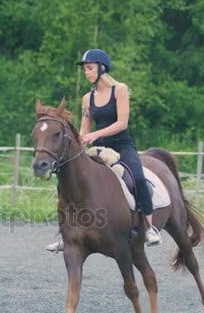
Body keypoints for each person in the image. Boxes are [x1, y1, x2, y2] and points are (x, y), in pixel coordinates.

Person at [46, 49, 162, 252]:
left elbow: (122, 123)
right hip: (99, 148)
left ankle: (150, 227)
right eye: (85, 70)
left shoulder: (120, 90)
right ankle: (65, 234)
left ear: (101, 68)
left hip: (122, 146)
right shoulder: (86, 99)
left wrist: (95, 134)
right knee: (66, 181)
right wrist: (82, 139)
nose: (86, 73)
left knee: (138, 178)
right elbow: (85, 127)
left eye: (89, 68)